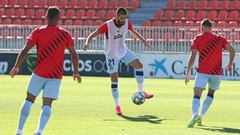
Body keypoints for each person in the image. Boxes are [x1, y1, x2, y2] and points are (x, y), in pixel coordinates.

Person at [9, 7, 81, 135]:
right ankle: (39, 131)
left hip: (39, 73)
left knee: (29, 100)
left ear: (46, 17)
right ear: (58, 19)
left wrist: (16, 66)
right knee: (47, 104)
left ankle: (19, 131)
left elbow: (25, 50)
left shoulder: (38, 32)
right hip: (55, 76)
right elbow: (74, 54)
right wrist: (75, 72)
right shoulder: (65, 35)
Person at [83, 7, 153, 115]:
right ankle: (117, 106)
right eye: (121, 18)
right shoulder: (107, 25)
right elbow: (93, 34)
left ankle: (141, 91)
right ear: (116, 16)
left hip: (122, 50)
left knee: (139, 65)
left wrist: (144, 42)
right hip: (111, 54)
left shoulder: (127, 23)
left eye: (124, 18)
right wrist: (87, 42)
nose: (123, 20)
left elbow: (133, 32)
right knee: (114, 80)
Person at [185, 19, 235, 128]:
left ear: (201, 28)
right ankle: (201, 116)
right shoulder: (219, 39)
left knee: (197, 94)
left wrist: (188, 72)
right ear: (211, 28)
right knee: (211, 93)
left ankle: (194, 115)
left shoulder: (197, 39)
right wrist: (230, 64)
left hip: (203, 72)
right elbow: (232, 50)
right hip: (216, 73)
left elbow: (193, 56)